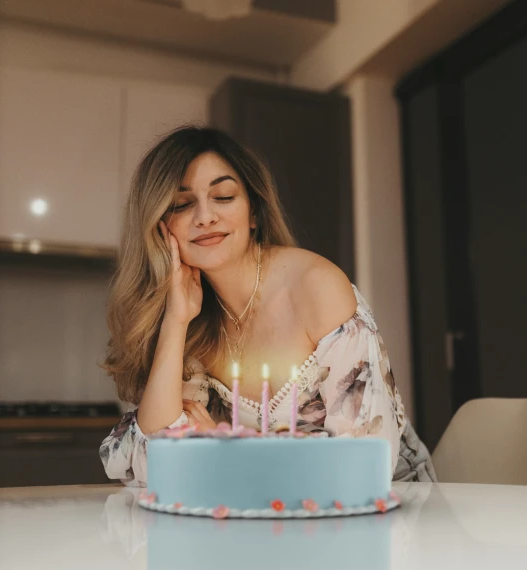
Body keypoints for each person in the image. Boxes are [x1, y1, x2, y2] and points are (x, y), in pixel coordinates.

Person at [99, 125, 436, 486]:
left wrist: (229, 451)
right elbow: (148, 464)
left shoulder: (316, 287)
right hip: (263, 522)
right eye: (181, 205)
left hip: (386, 518)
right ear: (160, 227)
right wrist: (175, 322)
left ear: (254, 213)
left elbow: (363, 465)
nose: (204, 216)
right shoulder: (192, 323)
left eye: (224, 197)